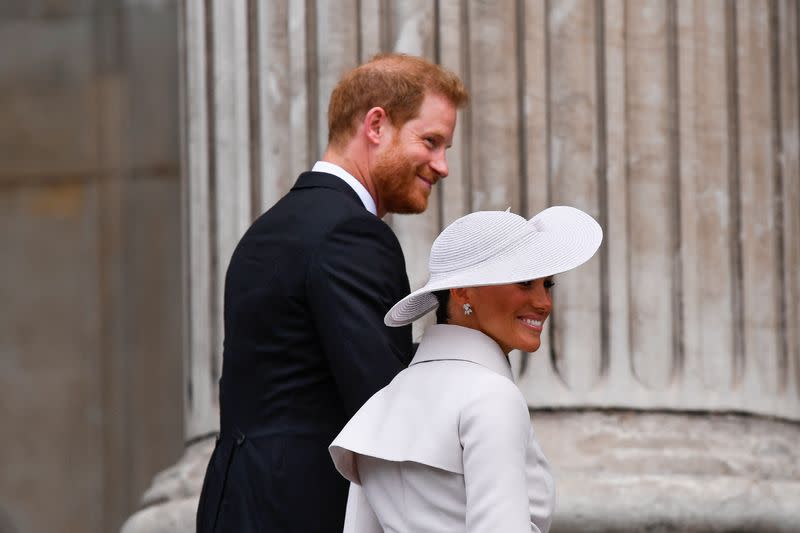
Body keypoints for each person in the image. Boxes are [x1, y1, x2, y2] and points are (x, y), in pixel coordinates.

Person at [195, 53, 468, 533]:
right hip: (307, 512)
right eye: (430, 142)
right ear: (377, 125)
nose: (441, 166)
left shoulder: (268, 229)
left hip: (236, 507)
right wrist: (468, 355)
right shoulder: (351, 233)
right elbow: (383, 405)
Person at [330, 206, 603, 533]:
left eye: (548, 285)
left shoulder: (384, 402)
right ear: (463, 291)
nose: (544, 303)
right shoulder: (491, 396)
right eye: (526, 282)